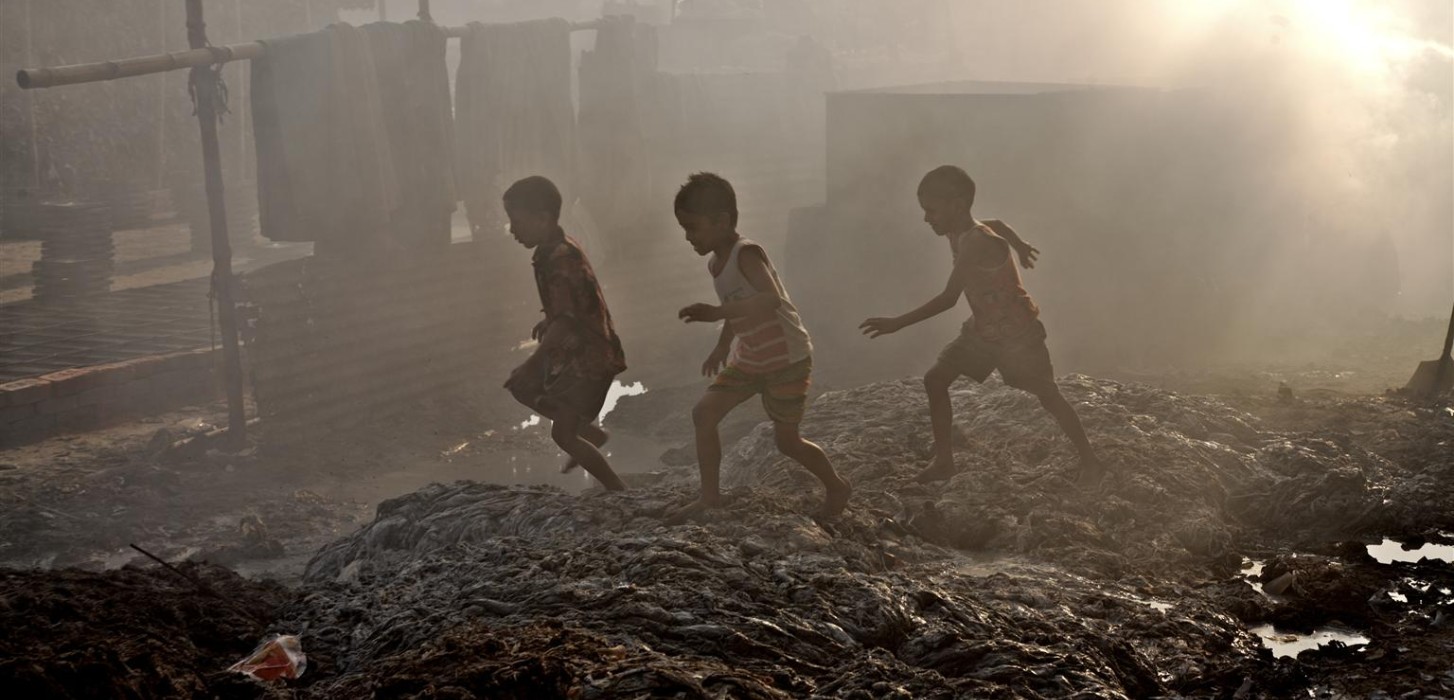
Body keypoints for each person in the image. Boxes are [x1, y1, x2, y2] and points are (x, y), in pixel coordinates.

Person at [859, 165, 1105, 489]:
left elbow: (949, 298)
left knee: (1048, 396)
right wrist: (1020, 245)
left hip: (1018, 335)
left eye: (931, 210)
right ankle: (944, 462)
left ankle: (1091, 461)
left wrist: (897, 323)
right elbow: (999, 224)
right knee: (936, 380)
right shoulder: (962, 230)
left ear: (957, 205)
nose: (926, 219)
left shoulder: (976, 241)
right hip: (983, 332)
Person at [671, 172, 852, 519]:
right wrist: (723, 345)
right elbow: (736, 306)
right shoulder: (716, 264)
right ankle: (710, 497)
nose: (688, 237)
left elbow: (769, 300)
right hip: (751, 357)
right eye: (684, 228)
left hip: (787, 358)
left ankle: (836, 485)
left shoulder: (746, 254)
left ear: (722, 221)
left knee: (787, 442)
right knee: (703, 414)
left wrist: (715, 313)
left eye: (692, 228)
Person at [502, 175, 627, 491]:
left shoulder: (559, 257)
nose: (512, 230)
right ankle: (590, 433)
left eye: (516, 222)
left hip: (590, 356)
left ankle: (617, 489)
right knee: (524, 387)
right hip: (579, 350)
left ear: (542, 218)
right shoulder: (552, 250)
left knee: (561, 433)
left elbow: (569, 321)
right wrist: (550, 319)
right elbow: (575, 302)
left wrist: (534, 360)